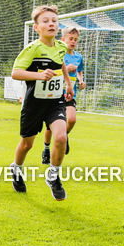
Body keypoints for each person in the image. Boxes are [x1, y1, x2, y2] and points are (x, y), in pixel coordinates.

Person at [9, 5, 74, 201]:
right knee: (27, 144)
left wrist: (69, 84)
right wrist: (38, 75)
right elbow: (15, 73)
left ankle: (53, 176)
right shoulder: (32, 48)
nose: (51, 23)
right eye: (45, 21)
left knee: (61, 137)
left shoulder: (62, 46)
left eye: (54, 20)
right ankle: (16, 169)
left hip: (55, 102)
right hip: (34, 104)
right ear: (37, 28)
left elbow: (61, 63)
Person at [41, 27, 85, 164]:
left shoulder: (79, 57)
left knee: (71, 120)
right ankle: (46, 149)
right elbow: (51, 71)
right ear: (63, 40)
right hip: (55, 93)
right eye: (70, 39)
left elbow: (80, 72)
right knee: (49, 126)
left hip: (70, 94)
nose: (73, 42)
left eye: (76, 40)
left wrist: (81, 81)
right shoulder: (58, 54)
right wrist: (65, 69)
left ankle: (64, 135)